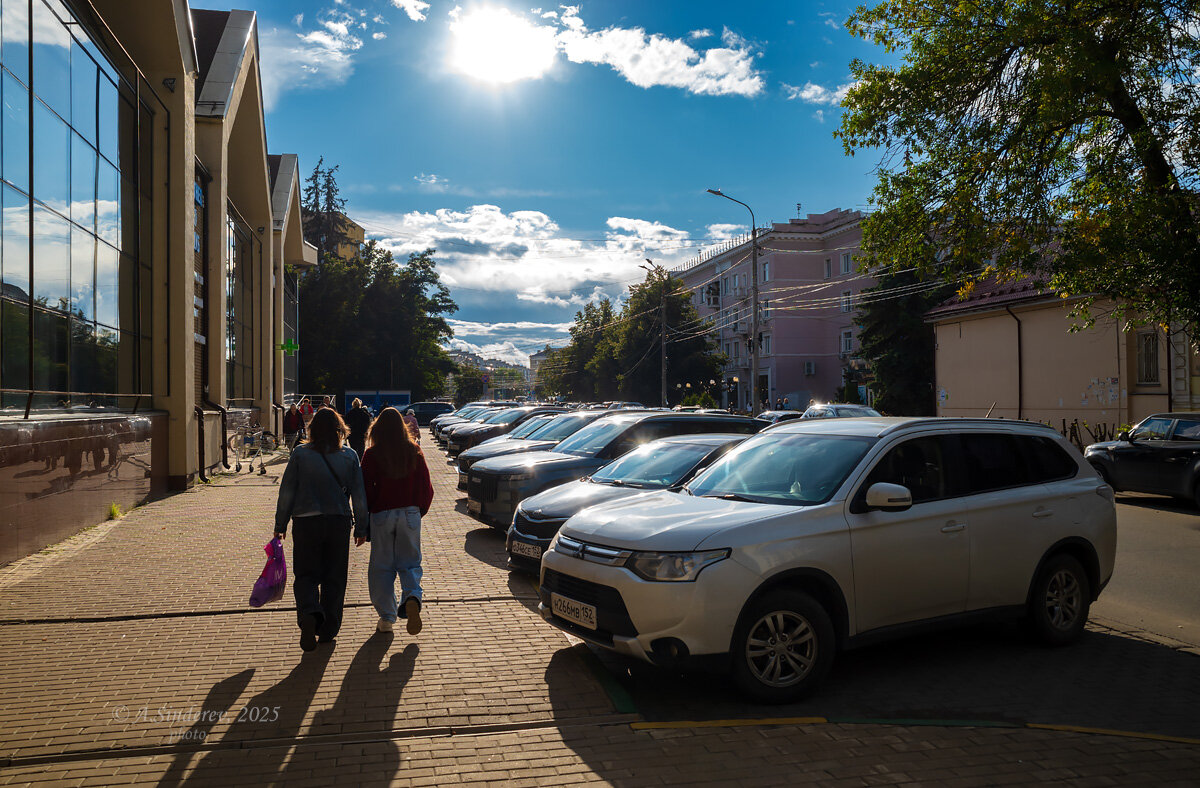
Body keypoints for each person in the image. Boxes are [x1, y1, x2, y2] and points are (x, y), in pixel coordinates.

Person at [274, 407, 368, 651]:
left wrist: (280, 524)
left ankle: (309, 613)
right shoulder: (349, 456)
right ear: (340, 430)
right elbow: (359, 494)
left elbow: (287, 491)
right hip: (338, 523)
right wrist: (362, 527)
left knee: (305, 575)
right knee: (334, 577)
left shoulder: (300, 454)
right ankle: (328, 629)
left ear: (312, 429)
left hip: (306, 523)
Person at [360, 407, 433, 636]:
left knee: (382, 567)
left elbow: (364, 490)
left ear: (378, 428)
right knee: (410, 563)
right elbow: (426, 488)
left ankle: (387, 617)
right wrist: (417, 512)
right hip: (410, 513)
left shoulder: (372, 454)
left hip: (382, 514)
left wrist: (370, 514)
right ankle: (411, 597)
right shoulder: (414, 451)